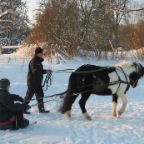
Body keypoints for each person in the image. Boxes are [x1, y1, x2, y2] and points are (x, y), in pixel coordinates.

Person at [24, 47, 52, 114]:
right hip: (32, 82)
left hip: (38, 82)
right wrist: (45, 71)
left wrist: (46, 71)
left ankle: (41, 109)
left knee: (40, 95)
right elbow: (35, 71)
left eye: (42, 53)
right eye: (41, 53)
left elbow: (39, 70)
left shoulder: (38, 61)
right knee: (29, 96)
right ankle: (23, 109)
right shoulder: (34, 61)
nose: (42, 54)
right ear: (37, 53)